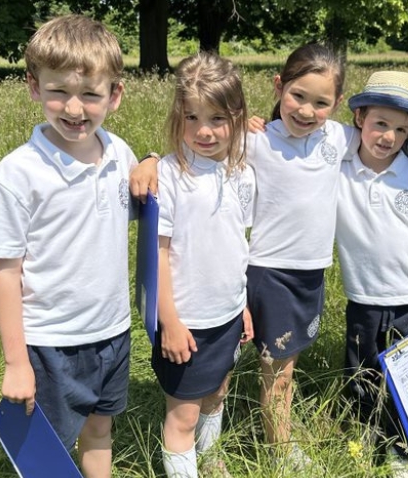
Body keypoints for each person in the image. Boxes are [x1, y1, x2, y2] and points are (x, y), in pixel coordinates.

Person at [0, 15, 136, 477]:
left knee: (100, 431)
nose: (74, 108)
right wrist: (16, 363)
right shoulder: (18, 173)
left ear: (115, 95)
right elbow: (4, 271)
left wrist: (147, 162)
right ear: (33, 87)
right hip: (51, 344)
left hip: (112, 333)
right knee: (48, 453)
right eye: (57, 91)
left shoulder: (120, 153)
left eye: (90, 94)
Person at [244, 43, 359, 470]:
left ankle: (270, 434)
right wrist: (147, 161)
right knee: (278, 369)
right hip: (269, 270)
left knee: (287, 361)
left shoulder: (339, 137)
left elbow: (393, 135)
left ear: (338, 104)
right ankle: (278, 450)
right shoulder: (256, 139)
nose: (307, 111)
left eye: (321, 102)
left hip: (311, 272)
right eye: (298, 96)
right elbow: (196, 150)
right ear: (278, 86)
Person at [152, 51, 255, 478]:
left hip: (228, 313)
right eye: (192, 118)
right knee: (184, 415)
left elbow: (236, 245)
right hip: (185, 319)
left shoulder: (243, 173)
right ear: (178, 116)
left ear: (238, 116)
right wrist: (170, 321)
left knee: (217, 392)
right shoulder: (169, 175)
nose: (204, 131)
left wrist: (243, 304)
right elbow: (156, 255)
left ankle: (211, 459)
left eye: (216, 118)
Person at [336, 71, 408, 477]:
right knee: (362, 375)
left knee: (406, 380)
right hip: (362, 298)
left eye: (401, 129)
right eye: (381, 123)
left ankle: (400, 450)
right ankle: (364, 437)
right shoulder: (341, 168)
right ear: (360, 118)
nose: (389, 137)